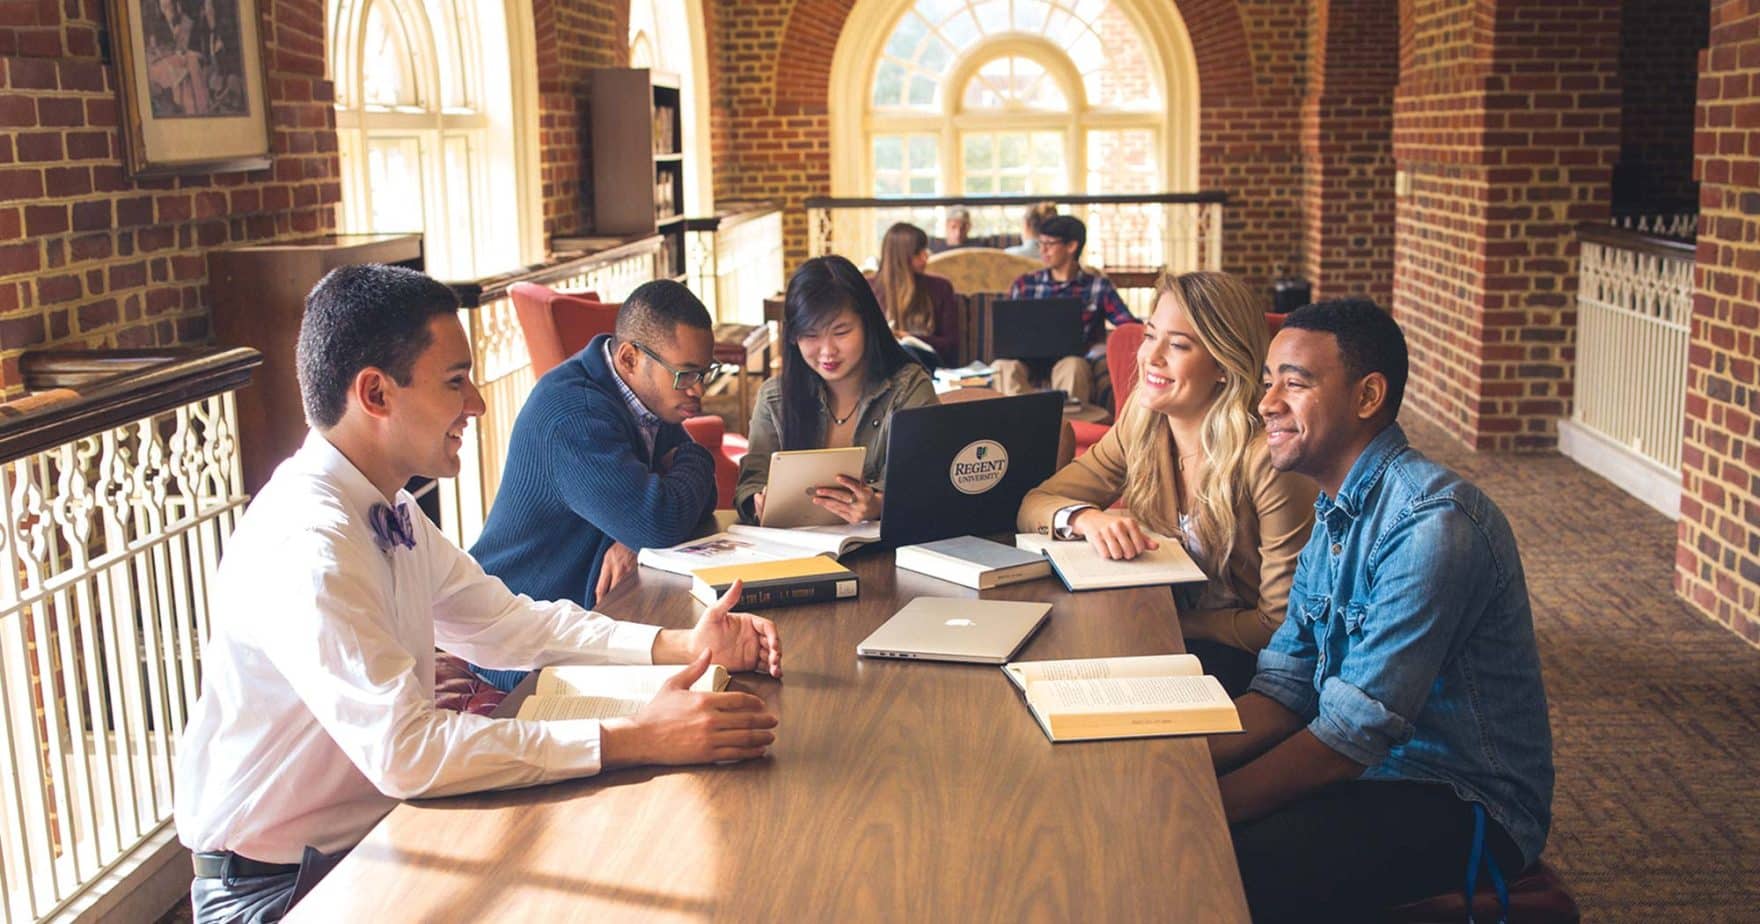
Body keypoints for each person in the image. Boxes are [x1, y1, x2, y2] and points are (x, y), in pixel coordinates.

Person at [175, 264, 782, 924]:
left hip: (375, 843)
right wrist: (635, 738)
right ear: (375, 393)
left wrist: (681, 643)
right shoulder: (309, 543)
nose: (478, 404)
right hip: (278, 892)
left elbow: (510, 625)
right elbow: (406, 753)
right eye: (455, 382)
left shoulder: (390, 508)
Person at [1210, 299, 1553, 921]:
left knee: (1214, 863)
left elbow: (1349, 736)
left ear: (1368, 397)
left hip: (1459, 799)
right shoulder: (1336, 510)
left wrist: (1204, 806)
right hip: (1367, 769)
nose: (1266, 403)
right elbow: (1285, 688)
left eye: (1296, 382)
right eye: (1268, 381)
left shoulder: (1432, 525)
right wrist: (1173, 763)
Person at [1018, 272, 1315, 695]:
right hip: (1161, 632)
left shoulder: (1266, 461)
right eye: (1150, 334)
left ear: (1223, 365)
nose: (1150, 357)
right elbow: (1037, 502)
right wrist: (1085, 518)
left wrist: (1174, 622)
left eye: (1177, 345)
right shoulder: (1143, 424)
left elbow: (1280, 624)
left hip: (1248, 667)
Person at [467, 279, 722, 691]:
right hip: (520, 645)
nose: (699, 391)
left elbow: (697, 499)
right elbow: (661, 520)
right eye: (686, 374)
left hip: (595, 615)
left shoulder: (647, 397)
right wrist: (681, 475)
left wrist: (627, 537)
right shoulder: (574, 415)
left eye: (704, 372)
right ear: (629, 357)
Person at [736, 255, 938, 525]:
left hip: (884, 554)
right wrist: (757, 503)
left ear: (868, 325)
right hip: (795, 554)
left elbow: (925, 483)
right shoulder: (775, 398)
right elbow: (751, 482)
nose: (827, 351)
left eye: (841, 332)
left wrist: (878, 504)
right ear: (793, 338)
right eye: (811, 335)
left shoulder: (909, 389)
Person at [994, 214, 1138, 405]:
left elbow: (1129, 327)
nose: (1043, 250)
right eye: (1040, 243)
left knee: (1074, 366)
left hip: (1071, 360)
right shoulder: (1025, 284)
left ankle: (1068, 428)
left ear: (1071, 246)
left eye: (1050, 244)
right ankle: (1018, 423)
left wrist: (1103, 346)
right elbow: (1008, 331)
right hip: (1024, 360)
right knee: (1003, 366)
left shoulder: (1097, 286)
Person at [872, 222, 961, 368]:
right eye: (918, 253)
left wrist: (910, 337)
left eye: (925, 250)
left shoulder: (941, 288)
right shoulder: (870, 288)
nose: (925, 257)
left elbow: (950, 345)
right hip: (882, 367)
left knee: (907, 351)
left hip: (929, 365)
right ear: (900, 257)